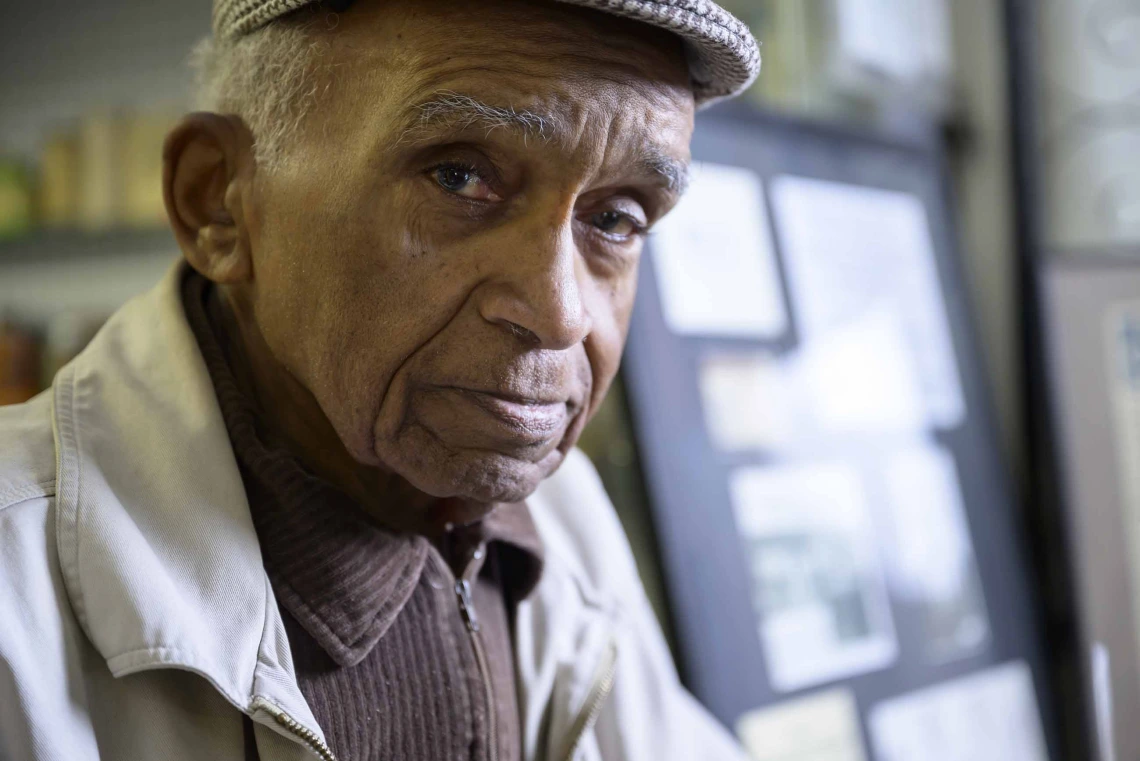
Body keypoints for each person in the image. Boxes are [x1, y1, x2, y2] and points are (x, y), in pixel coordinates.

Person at [0, 1, 759, 759]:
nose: (560, 315)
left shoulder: (565, 519)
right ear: (218, 200)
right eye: (459, 177)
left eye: (618, 219)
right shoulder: (16, 589)